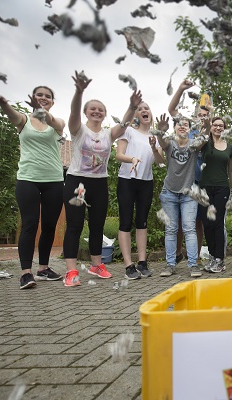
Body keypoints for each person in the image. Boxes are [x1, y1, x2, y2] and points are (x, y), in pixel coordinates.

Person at [62, 72, 141, 287]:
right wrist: (79, 91)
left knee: (97, 225)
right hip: (77, 181)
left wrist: (132, 107)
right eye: (92, 109)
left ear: (105, 114)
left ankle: (97, 265)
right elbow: (72, 112)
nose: (97, 112)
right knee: (75, 225)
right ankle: (71, 271)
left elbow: (124, 124)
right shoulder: (78, 129)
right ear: (86, 112)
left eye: (101, 110)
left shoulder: (108, 134)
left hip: (99, 183)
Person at [0, 86, 65, 289]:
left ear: (52, 102)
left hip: (54, 180)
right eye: (39, 95)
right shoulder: (24, 120)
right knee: (30, 224)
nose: (43, 98)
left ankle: (43, 268)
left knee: (50, 225)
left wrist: (42, 113)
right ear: (33, 98)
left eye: (47, 96)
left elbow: (54, 122)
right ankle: (26, 273)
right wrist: (3, 102)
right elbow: (12, 115)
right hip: (27, 179)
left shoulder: (57, 123)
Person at [116, 101, 165, 280]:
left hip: (146, 182)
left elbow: (160, 162)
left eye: (147, 108)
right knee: (126, 222)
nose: (144, 110)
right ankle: (129, 265)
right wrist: (132, 159)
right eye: (140, 109)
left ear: (150, 114)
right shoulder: (128, 131)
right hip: (127, 180)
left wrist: (154, 147)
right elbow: (118, 155)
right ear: (136, 115)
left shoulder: (156, 136)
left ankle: (142, 263)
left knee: (142, 222)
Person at [157, 114, 203, 278]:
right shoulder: (170, 142)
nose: (182, 126)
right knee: (171, 229)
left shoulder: (193, 144)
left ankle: (193, 265)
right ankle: (170, 264)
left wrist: (206, 126)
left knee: (189, 229)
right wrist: (160, 132)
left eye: (186, 124)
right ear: (174, 127)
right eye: (179, 124)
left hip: (188, 194)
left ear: (189, 129)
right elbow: (162, 143)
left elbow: (203, 141)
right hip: (169, 192)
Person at [167, 80, 207, 262]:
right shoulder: (186, 127)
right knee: (181, 222)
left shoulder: (207, 129)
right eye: (198, 113)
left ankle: (196, 256)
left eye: (204, 113)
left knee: (197, 223)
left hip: (202, 181)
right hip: (184, 182)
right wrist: (181, 88)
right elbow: (172, 109)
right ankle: (176, 254)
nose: (201, 116)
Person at [198, 116, 232, 273]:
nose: (218, 128)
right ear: (211, 126)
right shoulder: (205, 143)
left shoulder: (229, 147)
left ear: (224, 128)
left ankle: (220, 259)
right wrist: (206, 127)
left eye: (221, 126)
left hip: (222, 188)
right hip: (204, 188)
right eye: (215, 125)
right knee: (207, 223)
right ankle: (213, 256)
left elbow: (231, 170)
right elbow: (197, 144)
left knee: (218, 223)